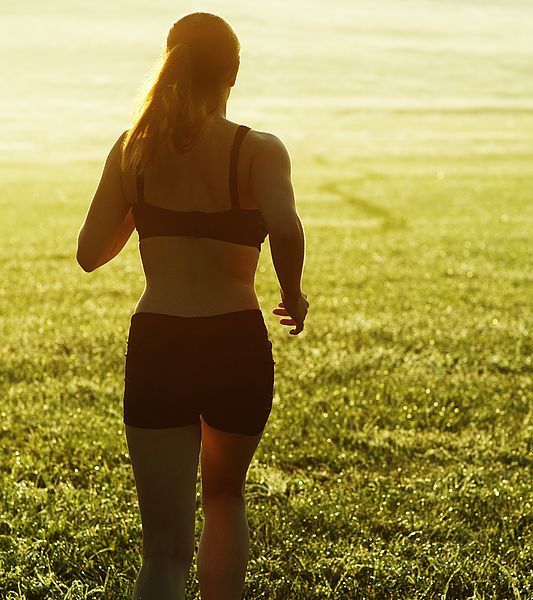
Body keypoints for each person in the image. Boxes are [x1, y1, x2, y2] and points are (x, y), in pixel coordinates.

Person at [76, 12, 308, 600]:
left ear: (169, 65)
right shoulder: (258, 150)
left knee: (163, 550)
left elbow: (90, 253)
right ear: (233, 74)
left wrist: (146, 204)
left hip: (160, 342)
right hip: (235, 339)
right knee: (226, 496)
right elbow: (286, 226)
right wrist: (292, 293)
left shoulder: (134, 150)